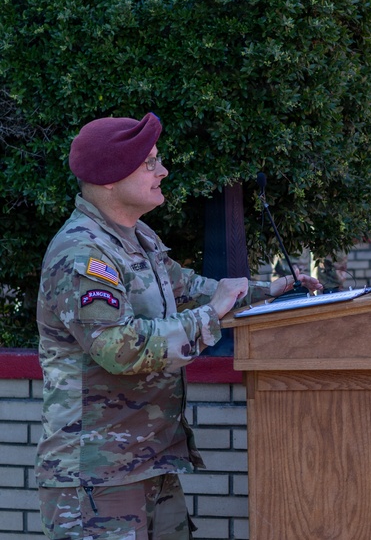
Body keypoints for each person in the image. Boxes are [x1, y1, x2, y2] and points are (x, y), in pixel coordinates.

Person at [35, 113, 323, 539]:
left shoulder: (136, 237)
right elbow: (119, 349)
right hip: (97, 478)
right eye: (149, 163)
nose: (163, 171)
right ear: (110, 178)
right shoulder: (82, 255)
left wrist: (269, 290)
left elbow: (190, 288)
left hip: (150, 463)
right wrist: (211, 319)